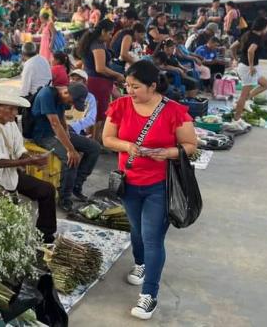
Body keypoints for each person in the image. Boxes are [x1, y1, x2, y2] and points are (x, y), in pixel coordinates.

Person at [102, 60, 197, 320]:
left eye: (135, 86)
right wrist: (126, 146)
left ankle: (149, 295)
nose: (129, 91)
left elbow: (190, 144)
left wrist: (167, 152)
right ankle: (141, 264)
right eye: (127, 85)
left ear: (153, 86)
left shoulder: (174, 111)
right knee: (137, 230)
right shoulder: (120, 106)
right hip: (129, 182)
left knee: (153, 237)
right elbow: (107, 138)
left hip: (160, 185)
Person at [0, 87, 55, 242]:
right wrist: (28, 161)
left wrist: (32, 158)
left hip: (9, 173)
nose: (15, 113)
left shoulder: (11, 124)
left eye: (16, 109)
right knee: (9, 206)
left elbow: (19, 150)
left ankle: (46, 235)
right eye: (10, 108)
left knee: (47, 190)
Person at [31, 81, 101, 211]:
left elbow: (62, 119)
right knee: (71, 158)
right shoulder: (47, 94)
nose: (71, 105)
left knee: (94, 148)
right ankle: (65, 197)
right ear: (65, 92)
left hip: (57, 133)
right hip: (43, 136)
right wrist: (70, 149)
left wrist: (69, 135)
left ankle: (76, 184)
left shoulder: (63, 97)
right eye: (71, 102)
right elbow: (55, 124)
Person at [230, 17, 267, 128]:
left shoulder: (247, 34)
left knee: (266, 84)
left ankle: (246, 99)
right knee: (243, 96)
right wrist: (251, 66)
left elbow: (232, 47)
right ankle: (237, 118)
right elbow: (250, 51)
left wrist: (235, 58)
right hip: (249, 68)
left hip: (248, 66)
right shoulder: (256, 38)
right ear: (263, 27)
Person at [66, 70, 97, 136]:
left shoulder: (90, 97)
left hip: (78, 131)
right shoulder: (65, 94)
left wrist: (74, 126)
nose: (73, 81)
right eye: (72, 79)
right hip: (61, 127)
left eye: (78, 79)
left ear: (85, 82)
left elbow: (91, 118)